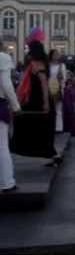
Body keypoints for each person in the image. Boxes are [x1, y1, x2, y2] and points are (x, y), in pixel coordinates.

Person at [11, 40, 59, 167]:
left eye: (28, 48)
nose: (27, 50)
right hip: (38, 98)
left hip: (37, 99)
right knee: (43, 126)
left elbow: (43, 83)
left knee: (27, 122)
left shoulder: (36, 64)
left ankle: (50, 154)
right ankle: (51, 154)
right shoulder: (42, 62)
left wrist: (45, 103)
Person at [0, 42, 21, 192]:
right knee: (2, 146)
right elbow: (6, 85)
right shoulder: (3, 58)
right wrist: (16, 106)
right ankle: (7, 182)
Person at [49, 49, 67, 133]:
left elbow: (64, 78)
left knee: (58, 108)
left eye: (57, 54)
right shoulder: (48, 65)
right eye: (55, 54)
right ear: (51, 55)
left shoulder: (62, 65)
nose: (56, 55)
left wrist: (61, 84)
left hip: (58, 87)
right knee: (49, 108)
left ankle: (59, 128)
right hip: (49, 87)